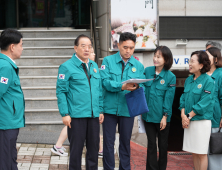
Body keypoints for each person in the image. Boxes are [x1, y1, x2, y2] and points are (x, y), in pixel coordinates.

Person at [56, 34, 104, 170]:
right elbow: (61, 92)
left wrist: (100, 109)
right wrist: (65, 113)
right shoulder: (66, 67)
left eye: (89, 46)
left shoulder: (94, 65)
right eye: (83, 46)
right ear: (75, 48)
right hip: (76, 116)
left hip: (94, 116)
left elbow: (98, 90)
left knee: (93, 150)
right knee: (76, 151)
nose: (87, 49)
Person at [100, 32, 145, 170]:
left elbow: (142, 85)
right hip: (109, 109)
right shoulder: (107, 61)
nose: (128, 51)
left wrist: (137, 86)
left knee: (125, 142)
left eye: (131, 48)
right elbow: (105, 82)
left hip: (127, 110)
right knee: (108, 143)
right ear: (118, 45)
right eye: (125, 47)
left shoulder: (138, 65)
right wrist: (122, 86)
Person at [179, 51, 215, 170]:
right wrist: (183, 115)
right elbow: (183, 98)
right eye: (189, 61)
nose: (189, 64)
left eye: (192, 61)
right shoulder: (189, 80)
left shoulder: (208, 81)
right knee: (193, 152)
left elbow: (205, 102)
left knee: (201, 153)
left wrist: (188, 116)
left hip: (201, 122)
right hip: (189, 121)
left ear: (201, 65)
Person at [142, 46, 176, 170]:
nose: (155, 59)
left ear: (166, 59)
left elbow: (169, 98)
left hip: (162, 118)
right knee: (151, 144)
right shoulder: (147, 71)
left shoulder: (170, 77)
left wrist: (165, 116)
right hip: (148, 116)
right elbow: (142, 90)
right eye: (155, 55)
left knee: (162, 145)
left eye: (158, 56)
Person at [0, 29, 25, 169]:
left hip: (8, 121)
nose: (22, 48)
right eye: (21, 45)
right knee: (6, 161)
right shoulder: (5, 66)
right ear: (12, 47)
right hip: (5, 122)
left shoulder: (5, 64)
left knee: (9, 158)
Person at [205, 47, 222, 170]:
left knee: (214, 147)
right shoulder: (202, 75)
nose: (204, 58)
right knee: (203, 149)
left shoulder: (220, 74)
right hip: (201, 117)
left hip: (215, 117)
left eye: (207, 56)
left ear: (215, 59)